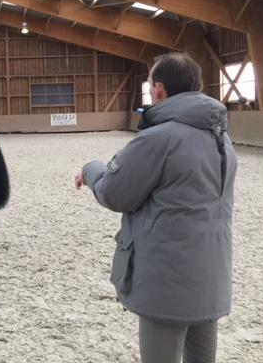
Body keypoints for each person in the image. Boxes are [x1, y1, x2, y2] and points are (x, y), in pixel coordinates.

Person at [75, 52, 237, 363]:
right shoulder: (222, 140)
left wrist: (91, 169)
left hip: (167, 281)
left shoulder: (158, 139)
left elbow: (114, 193)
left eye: (150, 86)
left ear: (160, 89)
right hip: (210, 276)